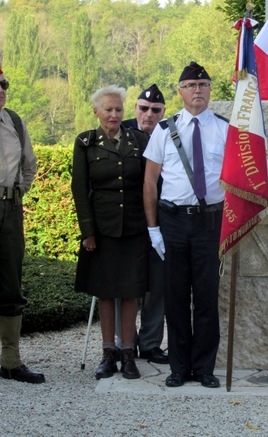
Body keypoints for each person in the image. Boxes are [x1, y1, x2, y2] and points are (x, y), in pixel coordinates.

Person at [143, 62, 228, 388]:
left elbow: (235, 180)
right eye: (191, 85)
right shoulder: (165, 130)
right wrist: (154, 230)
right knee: (175, 298)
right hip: (174, 222)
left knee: (207, 297)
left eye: (203, 85)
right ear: (180, 91)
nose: (198, 91)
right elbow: (150, 182)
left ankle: (204, 367)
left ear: (209, 91)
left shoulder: (224, 128)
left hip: (209, 222)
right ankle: (178, 367)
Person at [72, 85, 149, 380]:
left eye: (118, 109)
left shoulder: (139, 140)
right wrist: (87, 232)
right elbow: (80, 190)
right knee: (105, 292)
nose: (114, 115)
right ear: (96, 112)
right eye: (108, 110)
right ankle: (108, 353)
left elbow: (147, 185)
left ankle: (128, 352)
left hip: (133, 227)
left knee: (130, 292)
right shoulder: (85, 143)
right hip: (101, 229)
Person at [0, 55, 45, 384]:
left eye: (3, 84)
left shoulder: (14, 121)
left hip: (10, 209)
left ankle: (11, 361)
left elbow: (29, 164)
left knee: (10, 284)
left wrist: (16, 192)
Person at [114, 84, 168, 364]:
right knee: (125, 284)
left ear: (163, 112)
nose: (149, 114)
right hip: (127, 222)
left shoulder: (171, 133)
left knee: (157, 285)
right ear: (135, 108)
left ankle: (150, 344)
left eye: (155, 110)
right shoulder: (118, 132)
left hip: (161, 220)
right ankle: (125, 342)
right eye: (143, 108)